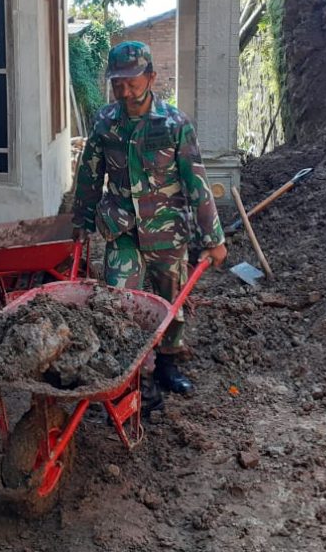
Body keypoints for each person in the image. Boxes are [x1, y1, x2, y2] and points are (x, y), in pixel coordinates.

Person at [72, 41, 227, 405]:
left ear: (151, 77)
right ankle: (131, 377)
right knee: (117, 299)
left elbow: (196, 181)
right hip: (120, 228)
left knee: (169, 301)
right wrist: (81, 219)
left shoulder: (175, 124)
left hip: (167, 230)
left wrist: (213, 237)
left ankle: (167, 366)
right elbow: (90, 174)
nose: (125, 90)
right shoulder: (105, 122)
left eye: (132, 80)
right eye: (117, 83)